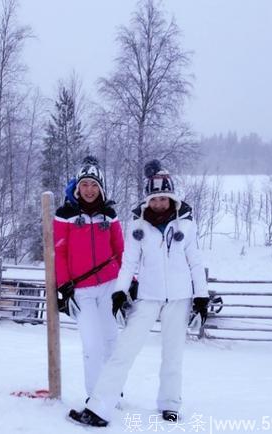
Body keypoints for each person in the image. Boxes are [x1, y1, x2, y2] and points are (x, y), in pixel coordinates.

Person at [68, 159, 210, 427]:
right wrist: (120, 293)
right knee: (124, 351)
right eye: (154, 199)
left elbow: (195, 262)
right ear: (148, 199)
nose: (158, 203)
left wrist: (200, 297)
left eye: (163, 199)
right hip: (147, 297)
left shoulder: (186, 226)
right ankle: (99, 407)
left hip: (179, 298)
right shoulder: (137, 226)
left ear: (171, 199)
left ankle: (170, 404)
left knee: (173, 353)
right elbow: (128, 263)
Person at [54, 156, 125, 398]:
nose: (89, 190)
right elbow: (59, 251)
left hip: (109, 285)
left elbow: (120, 250)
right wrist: (64, 287)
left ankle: (113, 391)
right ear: (77, 186)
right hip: (80, 290)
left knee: (111, 341)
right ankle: (96, 397)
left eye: (94, 185)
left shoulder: (110, 214)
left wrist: (128, 283)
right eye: (85, 184)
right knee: (92, 346)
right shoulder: (65, 214)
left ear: (101, 186)